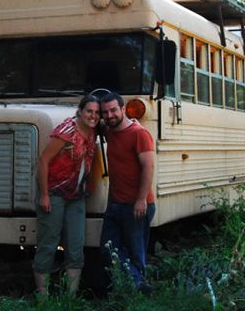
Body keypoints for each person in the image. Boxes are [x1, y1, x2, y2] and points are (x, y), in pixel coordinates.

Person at [33, 95, 100, 296]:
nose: (93, 116)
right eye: (89, 111)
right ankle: (43, 300)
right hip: (54, 193)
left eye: (97, 113)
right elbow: (44, 161)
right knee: (48, 243)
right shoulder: (66, 131)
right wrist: (44, 195)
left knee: (76, 245)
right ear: (80, 111)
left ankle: (70, 299)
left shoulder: (93, 132)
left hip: (77, 196)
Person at [99, 92, 156, 291]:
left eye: (114, 110)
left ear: (123, 109)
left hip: (137, 204)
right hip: (115, 203)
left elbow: (148, 167)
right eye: (105, 112)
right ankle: (136, 285)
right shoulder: (110, 131)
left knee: (135, 252)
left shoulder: (139, 134)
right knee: (107, 248)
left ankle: (137, 294)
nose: (110, 115)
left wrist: (141, 200)